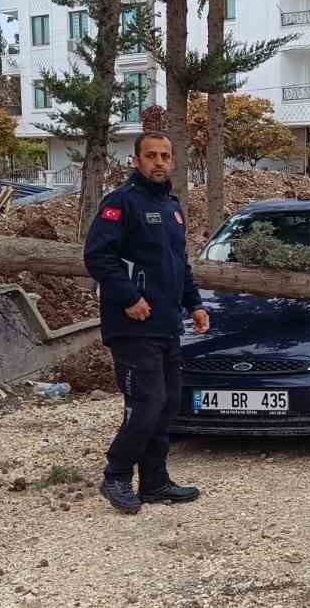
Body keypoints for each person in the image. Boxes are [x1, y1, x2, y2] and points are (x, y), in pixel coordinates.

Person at [83, 131, 211, 515]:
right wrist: (129, 298)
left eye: (165, 156)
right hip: (132, 325)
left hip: (167, 324)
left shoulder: (172, 207)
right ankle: (117, 475)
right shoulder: (120, 203)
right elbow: (98, 257)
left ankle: (154, 482)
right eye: (151, 156)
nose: (159, 162)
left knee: (169, 403)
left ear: (172, 162)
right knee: (147, 402)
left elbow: (179, 265)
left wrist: (195, 304)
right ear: (136, 161)